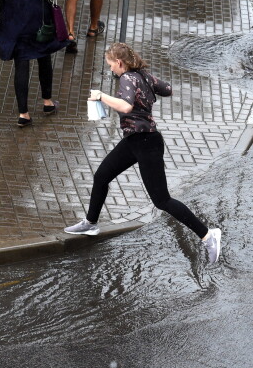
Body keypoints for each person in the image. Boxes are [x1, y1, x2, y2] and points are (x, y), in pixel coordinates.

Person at [64, 43, 222, 264]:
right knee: (102, 176)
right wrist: (146, 84)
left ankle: (207, 235)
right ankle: (91, 223)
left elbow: (126, 107)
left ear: (119, 63)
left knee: (162, 200)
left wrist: (101, 96)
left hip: (146, 142)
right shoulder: (142, 76)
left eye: (111, 65)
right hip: (135, 141)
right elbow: (167, 89)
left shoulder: (128, 78)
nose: (111, 70)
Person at [0, 0, 67, 127]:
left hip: (15, 23)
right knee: (44, 58)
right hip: (38, 23)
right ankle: (47, 102)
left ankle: (23, 114)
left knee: (21, 65)